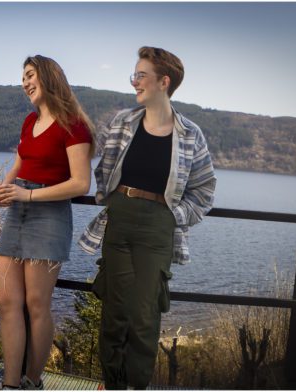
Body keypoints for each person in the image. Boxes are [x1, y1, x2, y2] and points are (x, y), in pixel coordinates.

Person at [79, 47, 216, 389]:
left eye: (141, 75)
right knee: (114, 314)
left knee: (144, 318)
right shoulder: (122, 122)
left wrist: (175, 217)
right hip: (120, 219)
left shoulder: (190, 134)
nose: (134, 82)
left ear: (163, 82)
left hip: (159, 226)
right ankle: (112, 384)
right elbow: (104, 169)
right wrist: (109, 199)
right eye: (134, 75)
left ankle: (135, 386)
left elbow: (205, 189)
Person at [0, 55, 94, 390]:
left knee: (37, 305)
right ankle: (10, 384)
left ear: (49, 77)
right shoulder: (29, 122)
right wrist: (6, 188)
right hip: (18, 212)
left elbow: (81, 183)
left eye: (30, 75)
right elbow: (19, 164)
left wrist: (29, 196)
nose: (25, 83)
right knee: (7, 301)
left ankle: (32, 380)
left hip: (49, 215)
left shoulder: (73, 125)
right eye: (22, 77)